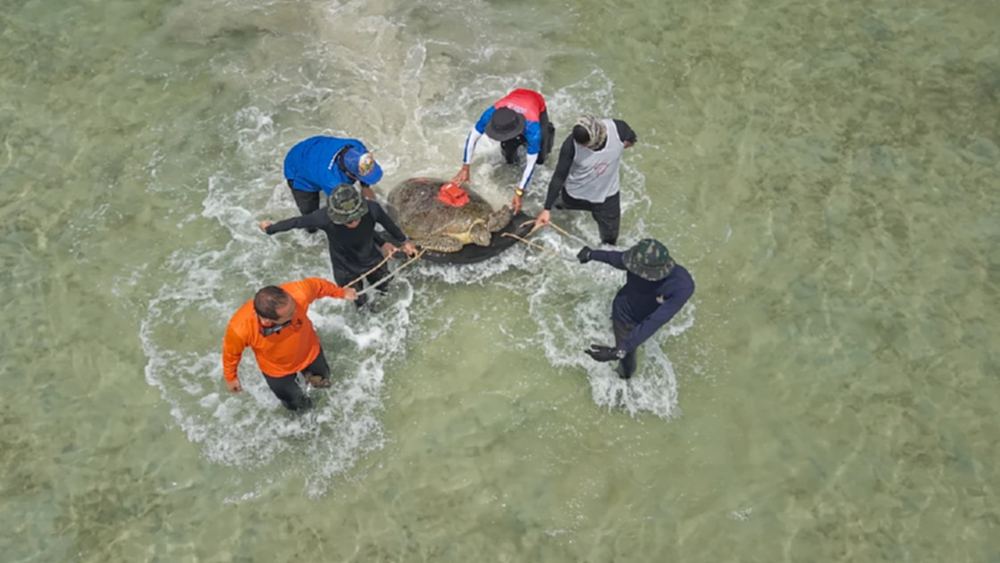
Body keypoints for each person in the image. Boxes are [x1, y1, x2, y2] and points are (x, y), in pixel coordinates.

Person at [259, 185, 417, 308]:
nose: (353, 223)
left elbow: (390, 226)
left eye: (356, 217)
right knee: (360, 302)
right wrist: (270, 229)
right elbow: (295, 222)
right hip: (345, 268)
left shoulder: (372, 209)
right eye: (347, 220)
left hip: (372, 258)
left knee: (386, 287)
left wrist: (405, 241)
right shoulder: (322, 217)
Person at [222, 278, 358, 411]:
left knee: (324, 383)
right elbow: (231, 353)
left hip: (310, 352)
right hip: (277, 370)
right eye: (290, 314)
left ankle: (324, 408)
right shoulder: (240, 328)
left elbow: (318, 285)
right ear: (267, 321)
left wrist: (341, 292)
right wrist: (231, 377)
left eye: (294, 306)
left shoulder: (299, 293)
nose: (296, 311)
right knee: (294, 403)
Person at [577, 239, 694, 379]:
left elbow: (655, 321)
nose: (633, 270)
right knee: (627, 366)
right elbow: (614, 258)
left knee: (626, 348)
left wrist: (618, 351)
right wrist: (590, 254)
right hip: (624, 316)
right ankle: (624, 378)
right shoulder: (635, 261)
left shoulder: (682, 286)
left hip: (648, 316)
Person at [534, 114, 638, 246]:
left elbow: (631, 141)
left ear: (596, 138)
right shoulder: (570, 144)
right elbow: (559, 176)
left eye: (584, 144)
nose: (580, 146)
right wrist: (546, 209)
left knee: (609, 241)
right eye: (578, 143)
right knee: (555, 207)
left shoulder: (618, 130)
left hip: (607, 198)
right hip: (575, 195)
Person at [451, 88, 556, 214]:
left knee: (540, 158)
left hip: (535, 103)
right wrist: (465, 166)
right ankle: (514, 153)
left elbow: (531, 164)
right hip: (513, 105)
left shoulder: (533, 128)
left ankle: (547, 133)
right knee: (508, 153)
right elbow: (473, 137)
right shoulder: (490, 114)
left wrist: (519, 191)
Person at [283, 136, 384, 228]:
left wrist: (365, 187)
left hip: (312, 148)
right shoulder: (332, 181)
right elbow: (342, 211)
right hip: (297, 171)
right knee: (311, 219)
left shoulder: (357, 148)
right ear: (349, 174)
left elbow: (363, 169)